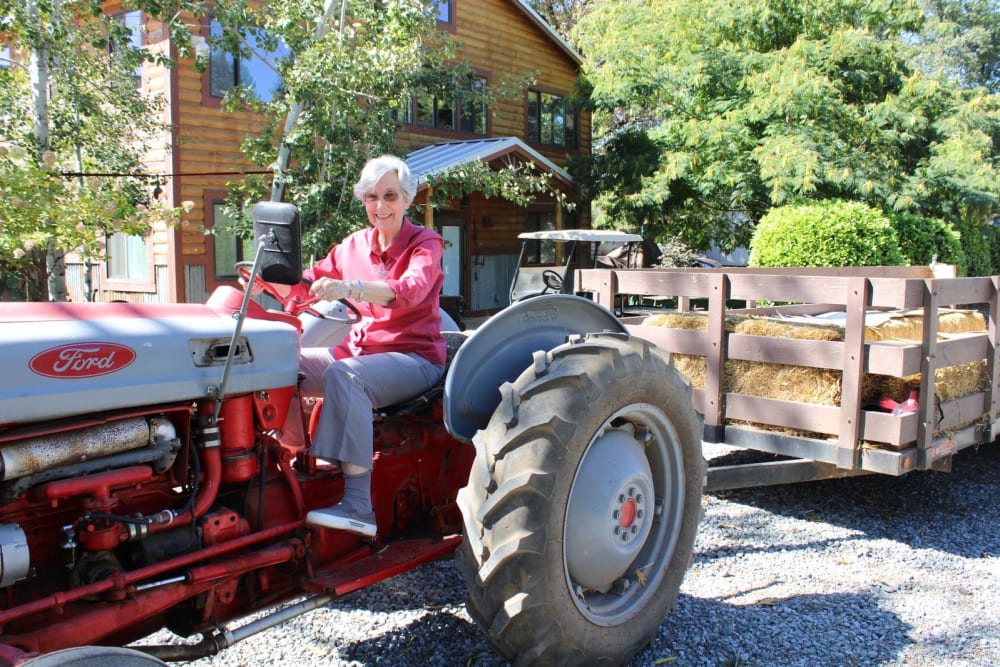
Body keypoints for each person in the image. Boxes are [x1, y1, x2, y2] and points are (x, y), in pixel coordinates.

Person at [266, 155, 446, 537]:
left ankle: (359, 506)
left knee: (345, 377)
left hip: (413, 358)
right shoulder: (353, 246)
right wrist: (276, 273)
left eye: (390, 196)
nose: (380, 206)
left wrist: (351, 288)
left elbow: (409, 291)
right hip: (359, 353)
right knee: (279, 362)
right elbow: (306, 286)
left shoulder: (424, 244)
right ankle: (293, 462)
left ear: (407, 199)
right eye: (371, 196)